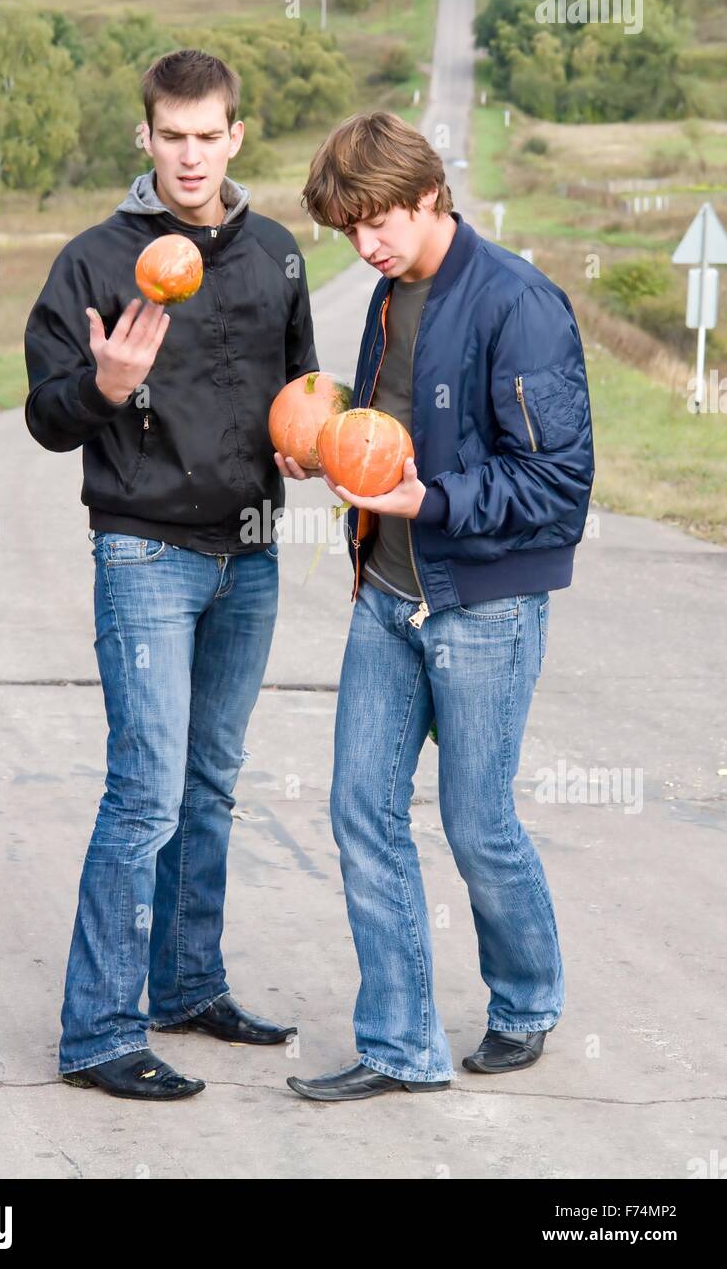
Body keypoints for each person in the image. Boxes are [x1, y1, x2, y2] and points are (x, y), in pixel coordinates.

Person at [275, 111, 595, 1102]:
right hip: (388, 594)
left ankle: (526, 1000)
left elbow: (558, 487)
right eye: (348, 227)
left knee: (475, 821)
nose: (364, 242)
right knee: (358, 811)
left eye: (375, 219)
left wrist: (431, 501)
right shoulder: (387, 293)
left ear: (427, 194)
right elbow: (385, 431)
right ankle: (399, 1044)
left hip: (479, 610)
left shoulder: (518, 304)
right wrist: (323, 451)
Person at [24, 48, 318, 1101]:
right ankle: (99, 1033)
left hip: (249, 558)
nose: (190, 156)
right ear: (145, 138)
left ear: (236, 135)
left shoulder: (278, 253)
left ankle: (187, 982)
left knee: (207, 787)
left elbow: (300, 396)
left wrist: (304, 446)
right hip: (144, 549)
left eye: (209, 135)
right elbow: (44, 417)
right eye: (171, 136)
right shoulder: (95, 262)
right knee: (143, 795)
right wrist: (103, 386)